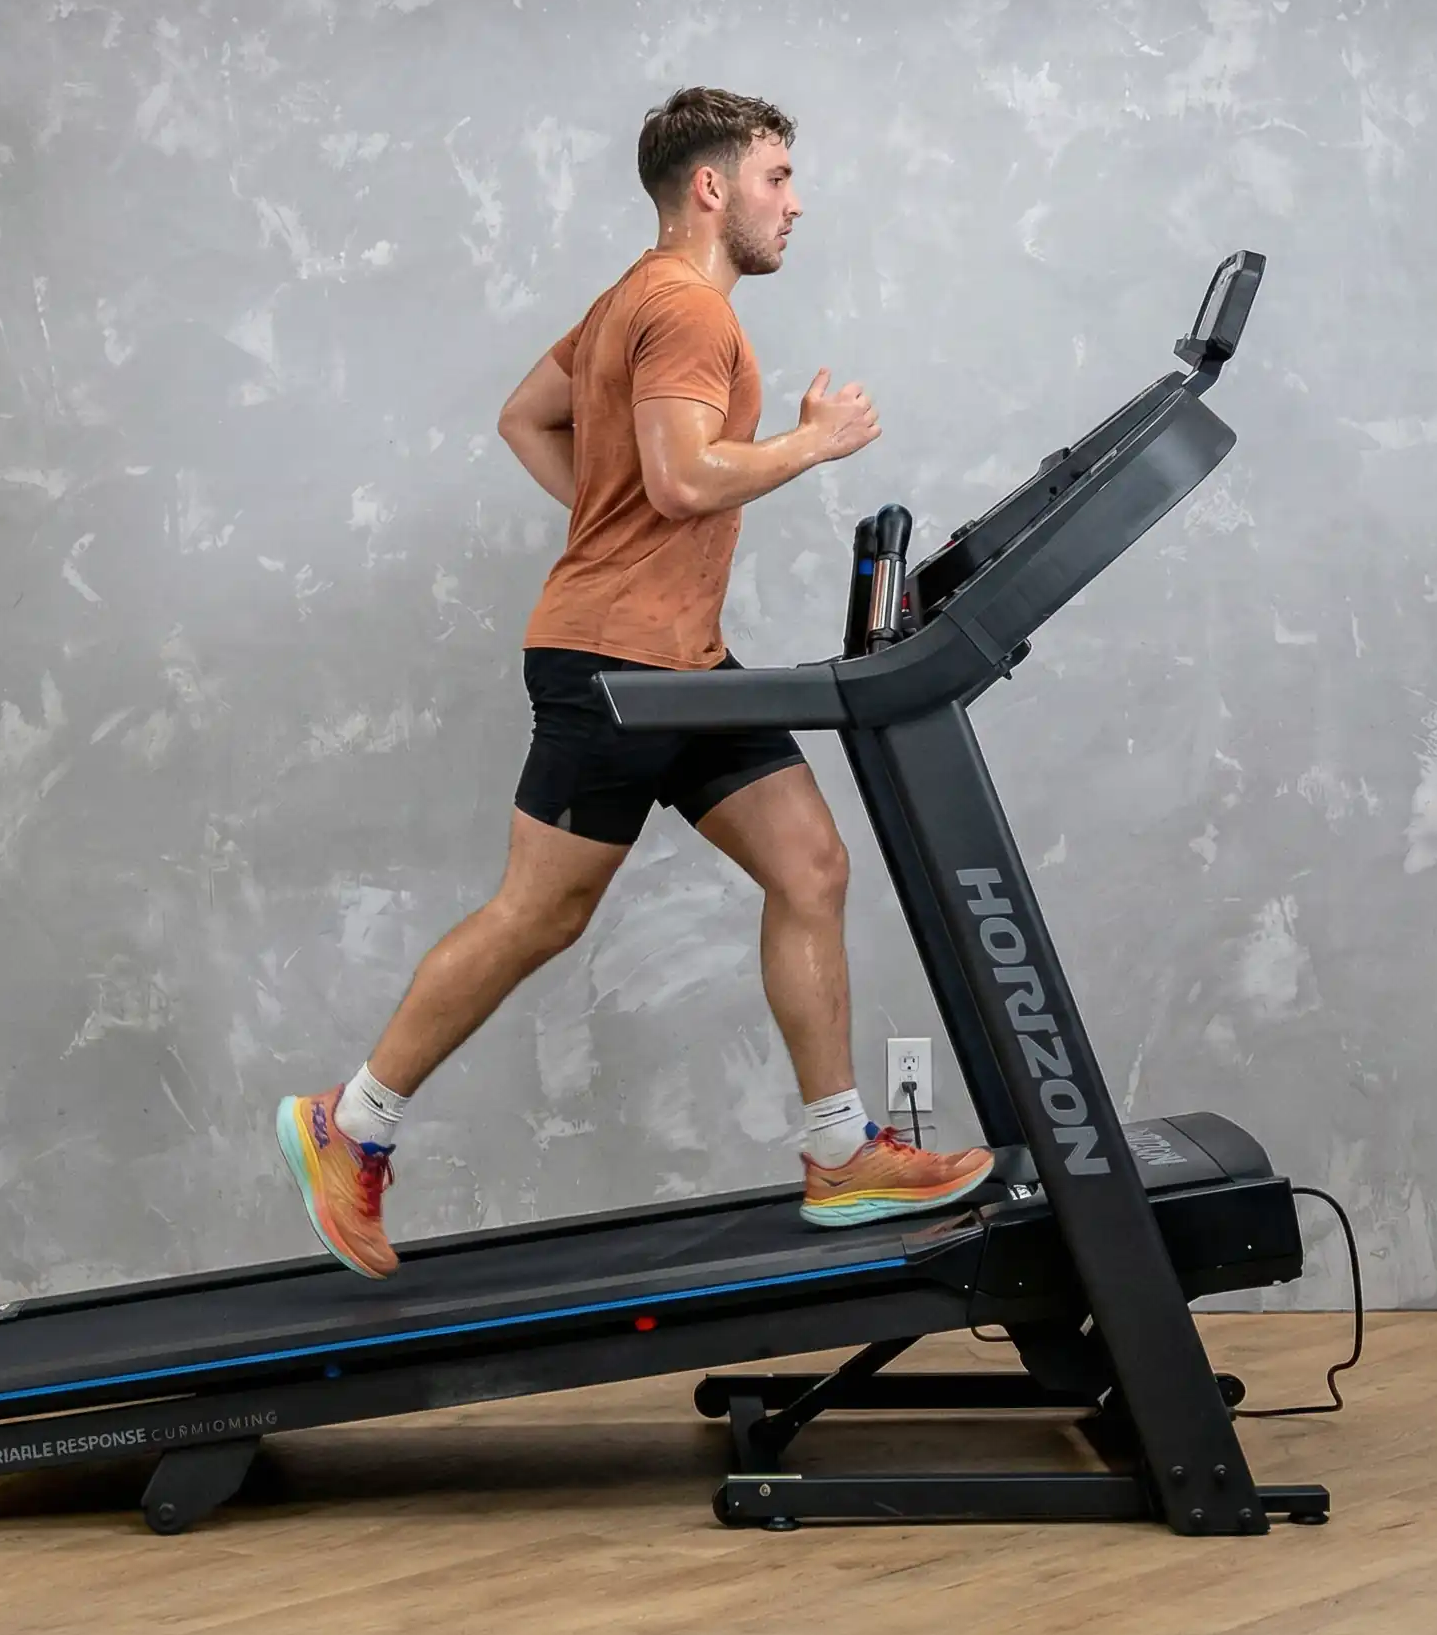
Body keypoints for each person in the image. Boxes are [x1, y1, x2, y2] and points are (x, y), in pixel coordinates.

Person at [278, 88, 992, 1279]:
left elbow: (527, 418)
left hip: (684, 660)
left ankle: (839, 1150)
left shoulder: (627, 299)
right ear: (709, 187)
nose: (793, 200)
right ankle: (345, 1124)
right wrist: (810, 442)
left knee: (809, 864)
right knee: (538, 915)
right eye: (775, 176)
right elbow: (676, 479)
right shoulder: (683, 309)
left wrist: (612, 517)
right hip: (612, 663)